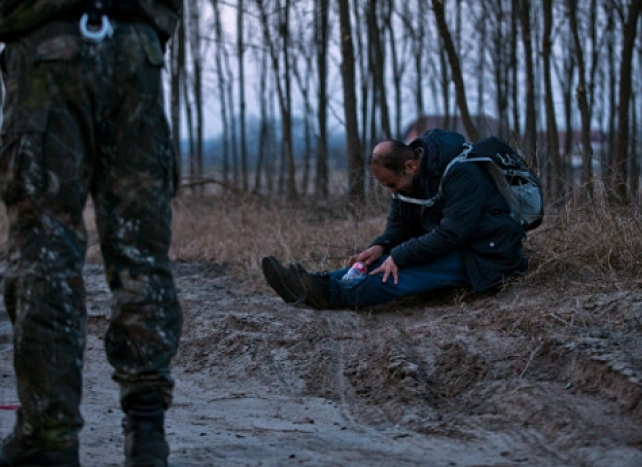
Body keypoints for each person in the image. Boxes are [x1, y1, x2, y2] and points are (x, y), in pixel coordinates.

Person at [0, 2, 183, 466]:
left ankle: (49, 434)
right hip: (136, 50)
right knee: (141, 249)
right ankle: (146, 433)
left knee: (45, 250)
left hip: (47, 46)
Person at [262, 128, 528, 310]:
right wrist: (381, 246)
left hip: (484, 253)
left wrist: (398, 255)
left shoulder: (461, 172)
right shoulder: (409, 178)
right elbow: (398, 228)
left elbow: (451, 234)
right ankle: (315, 283)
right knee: (380, 260)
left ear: (410, 166)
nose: (391, 192)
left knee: (398, 274)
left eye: (391, 184)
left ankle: (331, 295)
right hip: (454, 245)